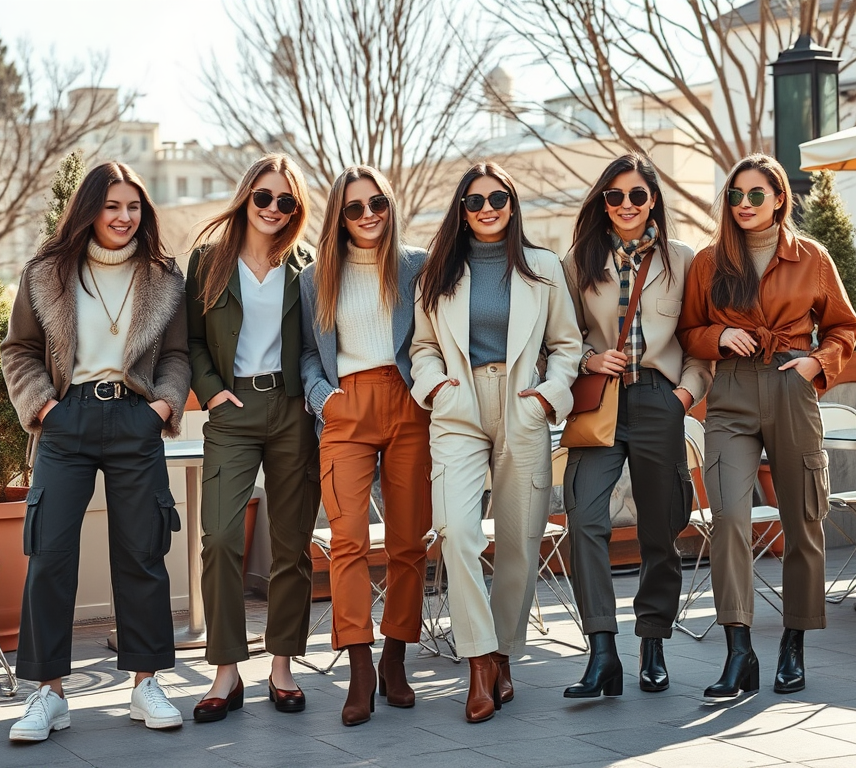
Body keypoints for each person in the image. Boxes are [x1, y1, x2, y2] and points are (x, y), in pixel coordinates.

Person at [1, 161, 191, 741]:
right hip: (66, 421)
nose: (124, 217)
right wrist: (44, 410)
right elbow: (19, 352)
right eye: (112, 206)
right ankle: (48, 693)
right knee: (50, 553)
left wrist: (161, 408)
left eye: (133, 207)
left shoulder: (163, 276)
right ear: (89, 210)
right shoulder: (46, 274)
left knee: (142, 554)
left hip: (135, 420)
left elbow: (178, 356)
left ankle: (146, 683)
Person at [677, 153, 856, 700]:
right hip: (730, 393)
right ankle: (739, 650)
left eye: (755, 195)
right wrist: (717, 339)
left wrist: (814, 364)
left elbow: (845, 327)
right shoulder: (710, 261)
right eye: (735, 196)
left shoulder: (813, 257)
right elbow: (689, 329)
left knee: (802, 517)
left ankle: (793, 644)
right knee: (730, 515)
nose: (744, 205)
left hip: (791, 387)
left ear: (780, 198)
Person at [410, 161, 581, 723]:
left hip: (521, 406)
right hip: (458, 408)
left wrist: (547, 394)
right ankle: (479, 661)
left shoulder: (545, 267)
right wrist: (435, 386)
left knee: (519, 542)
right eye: (476, 201)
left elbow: (566, 346)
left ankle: (504, 654)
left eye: (498, 199)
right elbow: (422, 347)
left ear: (512, 204)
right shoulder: (437, 271)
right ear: (462, 210)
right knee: (457, 531)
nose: (487, 209)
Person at [560, 153, 712, 699]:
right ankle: (602, 652)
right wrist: (586, 358)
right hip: (599, 403)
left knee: (660, 528)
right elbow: (561, 335)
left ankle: (652, 643)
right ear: (603, 202)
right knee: (585, 519)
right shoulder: (578, 261)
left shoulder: (683, 259)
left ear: (653, 202)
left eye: (637, 196)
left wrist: (684, 396)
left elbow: (698, 338)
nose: (626, 205)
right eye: (615, 196)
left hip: (658, 399)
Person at [186, 154, 319, 722]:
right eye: (263, 197)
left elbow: (319, 342)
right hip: (232, 409)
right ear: (246, 197)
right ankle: (226, 671)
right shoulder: (208, 261)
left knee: (291, 544)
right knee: (219, 538)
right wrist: (212, 390)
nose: (273, 209)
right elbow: (190, 340)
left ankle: (282, 665)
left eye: (285, 201)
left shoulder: (306, 265)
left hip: (291, 408)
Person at [299, 166, 431, 726]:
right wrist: (323, 398)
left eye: (376, 203)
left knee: (408, 541)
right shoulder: (314, 278)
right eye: (354, 208)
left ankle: (396, 657)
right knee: (347, 540)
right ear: (339, 216)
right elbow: (307, 351)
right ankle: (360, 666)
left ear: (390, 205)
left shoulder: (416, 267)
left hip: (407, 403)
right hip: (345, 409)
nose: (368, 215)